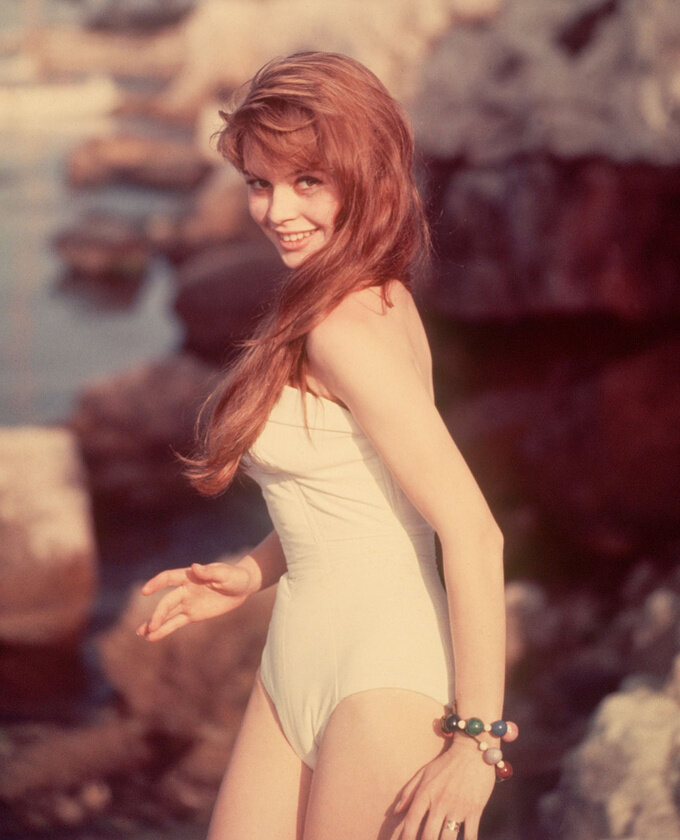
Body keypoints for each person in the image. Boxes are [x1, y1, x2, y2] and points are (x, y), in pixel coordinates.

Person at [137, 51, 508, 840]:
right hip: (298, 658)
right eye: (260, 183)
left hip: (383, 677)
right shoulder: (367, 295)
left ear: (364, 176)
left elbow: (475, 534)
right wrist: (250, 571)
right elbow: (358, 489)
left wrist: (477, 744)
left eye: (308, 181)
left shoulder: (345, 327)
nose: (276, 210)